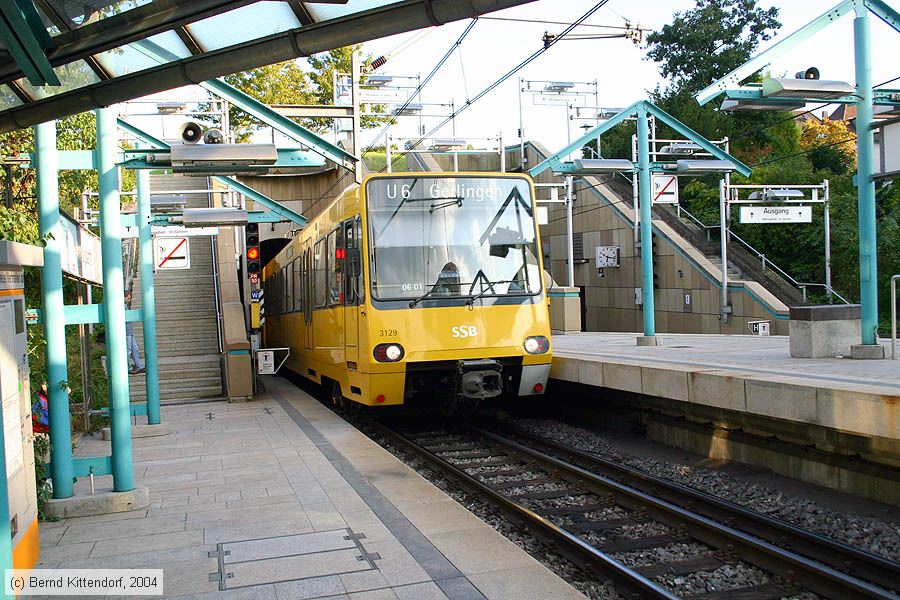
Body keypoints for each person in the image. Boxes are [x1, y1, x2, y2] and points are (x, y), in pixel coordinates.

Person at [124, 291, 144, 374]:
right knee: (128, 350)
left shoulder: (125, 305)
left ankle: (140, 366)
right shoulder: (121, 306)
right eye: (128, 298)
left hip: (130, 331)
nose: (129, 300)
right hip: (127, 331)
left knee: (134, 349)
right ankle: (128, 367)